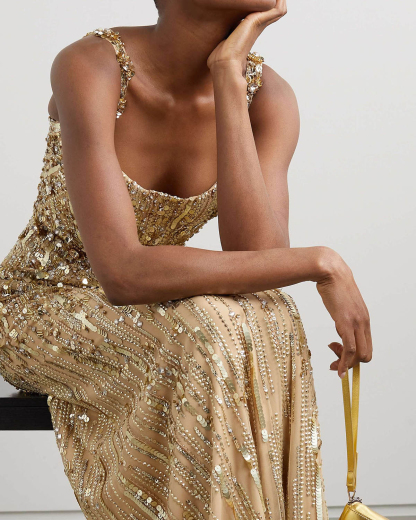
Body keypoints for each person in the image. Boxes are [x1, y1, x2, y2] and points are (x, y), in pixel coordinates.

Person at [0, 0, 373, 518]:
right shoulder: (91, 65)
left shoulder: (268, 97)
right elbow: (123, 274)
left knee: (275, 315)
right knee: (206, 327)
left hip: (163, 305)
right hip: (44, 306)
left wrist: (228, 80)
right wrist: (323, 262)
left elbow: (257, 260)